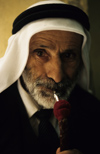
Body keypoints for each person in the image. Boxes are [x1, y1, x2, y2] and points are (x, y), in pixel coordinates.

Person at [0, 0, 100, 154]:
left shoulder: (95, 114)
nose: (57, 76)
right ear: (20, 56)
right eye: (40, 53)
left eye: (68, 55)